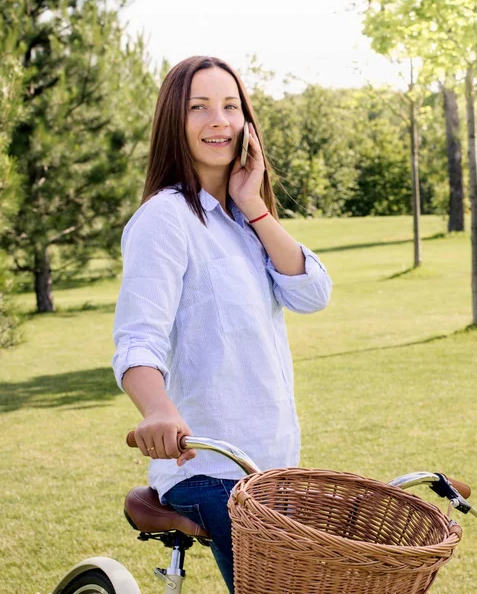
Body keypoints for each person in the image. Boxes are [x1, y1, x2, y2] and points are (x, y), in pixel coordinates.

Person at [111, 56, 332, 593]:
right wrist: (159, 409)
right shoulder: (165, 219)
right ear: (174, 122)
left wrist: (253, 204)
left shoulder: (241, 219)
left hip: (271, 464)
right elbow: (138, 338)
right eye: (200, 107)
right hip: (207, 468)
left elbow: (313, 292)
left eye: (230, 106)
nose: (219, 121)